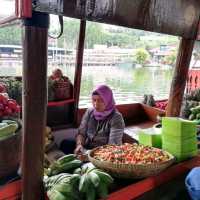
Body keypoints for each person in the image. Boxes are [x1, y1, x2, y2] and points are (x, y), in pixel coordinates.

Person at [60, 84, 125, 155]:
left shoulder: (116, 118)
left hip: (102, 153)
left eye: (100, 101)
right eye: (94, 100)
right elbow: (81, 133)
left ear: (108, 100)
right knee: (65, 143)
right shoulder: (90, 111)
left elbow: (113, 147)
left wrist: (87, 154)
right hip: (86, 146)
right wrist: (79, 145)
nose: (96, 104)